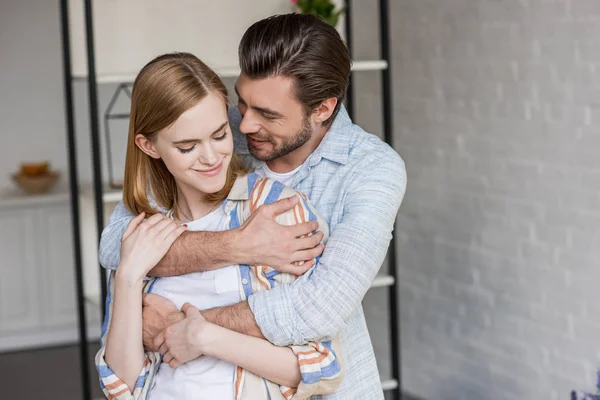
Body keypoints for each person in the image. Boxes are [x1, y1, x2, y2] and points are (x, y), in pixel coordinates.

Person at [100, 13, 406, 400]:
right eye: (243, 103)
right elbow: (116, 245)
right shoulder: (215, 133)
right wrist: (238, 245)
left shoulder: (371, 169)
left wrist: (182, 327)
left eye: (268, 115)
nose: (244, 126)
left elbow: (321, 308)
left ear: (323, 109)